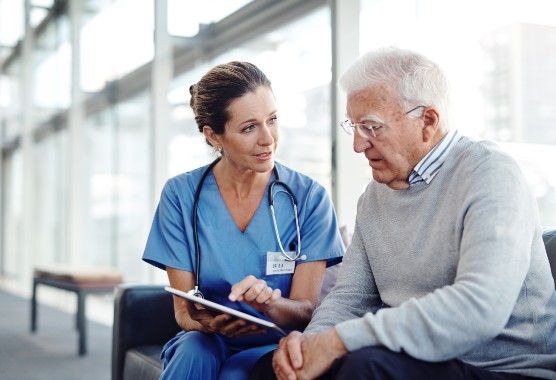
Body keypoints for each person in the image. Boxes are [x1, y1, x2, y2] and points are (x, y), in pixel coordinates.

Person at [249, 47, 556, 380]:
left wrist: (339, 341)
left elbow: (479, 308)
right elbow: (351, 297)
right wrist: (308, 348)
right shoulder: (374, 197)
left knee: (364, 368)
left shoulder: (490, 174)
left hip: (499, 368)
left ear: (427, 121)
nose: (357, 145)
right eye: (353, 126)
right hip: (411, 359)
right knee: (271, 371)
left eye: (371, 127)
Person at [142, 61, 344, 380]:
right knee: (194, 351)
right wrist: (206, 322)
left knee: (236, 374)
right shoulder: (181, 195)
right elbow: (183, 312)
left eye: (272, 120)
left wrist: (269, 305)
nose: (268, 139)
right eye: (249, 127)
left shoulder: (309, 198)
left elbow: (305, 310)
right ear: (214, 136)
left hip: (275, 341)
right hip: (208, 337)